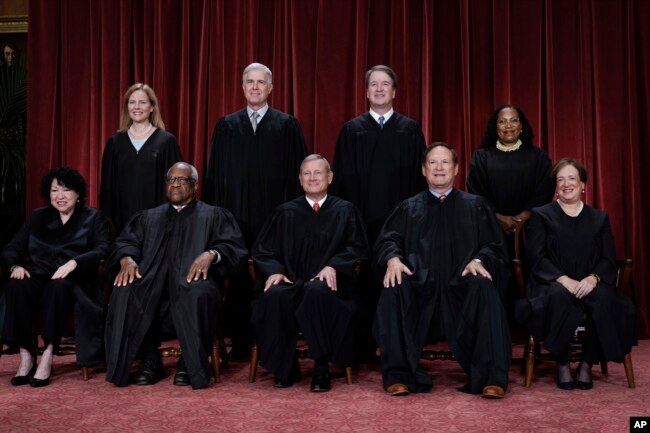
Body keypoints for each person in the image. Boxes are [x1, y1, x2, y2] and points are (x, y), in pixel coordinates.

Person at [373, 142, 511, 399]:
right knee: (395, 287)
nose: (439, 168)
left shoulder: (476, 206)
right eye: (433, 163)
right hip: (420, 285)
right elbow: (388, 240)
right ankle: (399, 375)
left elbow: (494, 246)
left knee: (484, 287)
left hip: (462, 284)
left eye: (445, 162)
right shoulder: (408, 208)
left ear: (456, 169)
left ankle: (490, 378)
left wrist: (479, 261)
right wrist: (392, 259)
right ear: (424, 170)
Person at [104, 162, 248, 389]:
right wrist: (126, 259)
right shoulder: (148, 217)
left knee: (198, 292)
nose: (175, 184)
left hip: (193, 282)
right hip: (152, 281)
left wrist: (212, 254)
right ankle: (150, 359)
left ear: (195, 185)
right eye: (171, 180)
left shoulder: (214, 215)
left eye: (182, 180)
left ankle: (189, 363)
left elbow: (234, 248)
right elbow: (125, 242)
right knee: (126, 290)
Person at [203, 62, 307, 357]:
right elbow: (214, 175)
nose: (255, 87)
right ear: (242, 86)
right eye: (250, 82)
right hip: (235, 217)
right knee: (236, 277)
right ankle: (239, 341)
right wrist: (215, 219)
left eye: (261, 82)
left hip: (274, 218)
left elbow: (298, 176)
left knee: (272, 275)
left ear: (271, 87)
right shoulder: (226, 126)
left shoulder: (287, 126)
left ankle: (273, 342)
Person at [331, 65, 426, 361]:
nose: (380, 89)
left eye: (385, 84)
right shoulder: (351, 130)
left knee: (397, 282)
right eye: (374, 84)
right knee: (362, 284)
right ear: (366, 91)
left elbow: (419, 181)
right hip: (362, 222)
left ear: (395, 91)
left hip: (400, 226)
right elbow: (342, 183)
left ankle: (397, 348)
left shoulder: (410, 130)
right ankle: (360, 348)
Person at [515, 158, 636, 390]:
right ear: (555, 186)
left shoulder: (599, 219)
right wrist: (563, 279)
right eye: (560, 180)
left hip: (590, 281)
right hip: (552, 281)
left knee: (604, 301)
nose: (566, 184)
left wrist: (594, 279)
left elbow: (608, 259)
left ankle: (586, 363)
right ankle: (561, 363)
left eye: (572, 178)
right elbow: (536, 258)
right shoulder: (542, 215)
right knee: (559, 297)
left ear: (583, 185)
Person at [251, 154, 369, 392]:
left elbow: (358, 247)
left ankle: (321, 366)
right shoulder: (284, 212)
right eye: (307, 173)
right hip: (293, 281)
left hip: (331, 288)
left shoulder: (345, 211)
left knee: (317, 291)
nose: (312, 178)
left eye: (318, 173)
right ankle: (285, 367)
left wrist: (334, 265)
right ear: (300, 179)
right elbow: (262, 251)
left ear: (329, 177)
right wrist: (275, 271)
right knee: (275, 295)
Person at [1, 167, 110, 387]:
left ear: (78, 193)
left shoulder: (93, 217)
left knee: (58, 287)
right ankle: (26, 354)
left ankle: (49, 353)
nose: (59, 196)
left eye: (66, 190)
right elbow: (13, 247)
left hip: (74, 279)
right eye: (54, 190)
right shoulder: (38, 217)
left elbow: (103, 249)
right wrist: (15, 266)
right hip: (39, 274)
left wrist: (75, 262)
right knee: (17, 286)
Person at [100, 83, 182, 234]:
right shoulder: (115, 143)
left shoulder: (166, 141)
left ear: (152, 107)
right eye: (132, 102)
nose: (137, 107)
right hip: (122, 224)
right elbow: (107, 189)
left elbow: (176, 185)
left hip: (158, 224)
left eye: (142, 102)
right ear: (127, 107)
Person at [467, 104, 553, 242]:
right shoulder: (481, 157)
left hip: (530, 230)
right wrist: (497, 217)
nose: (508, 126)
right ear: (496, 127)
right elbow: (476, 192)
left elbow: (545, 189)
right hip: (491, 230)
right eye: (502, 121)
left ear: (521, 125)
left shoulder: (538, 157)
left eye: (514, 120)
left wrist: (526, 215)